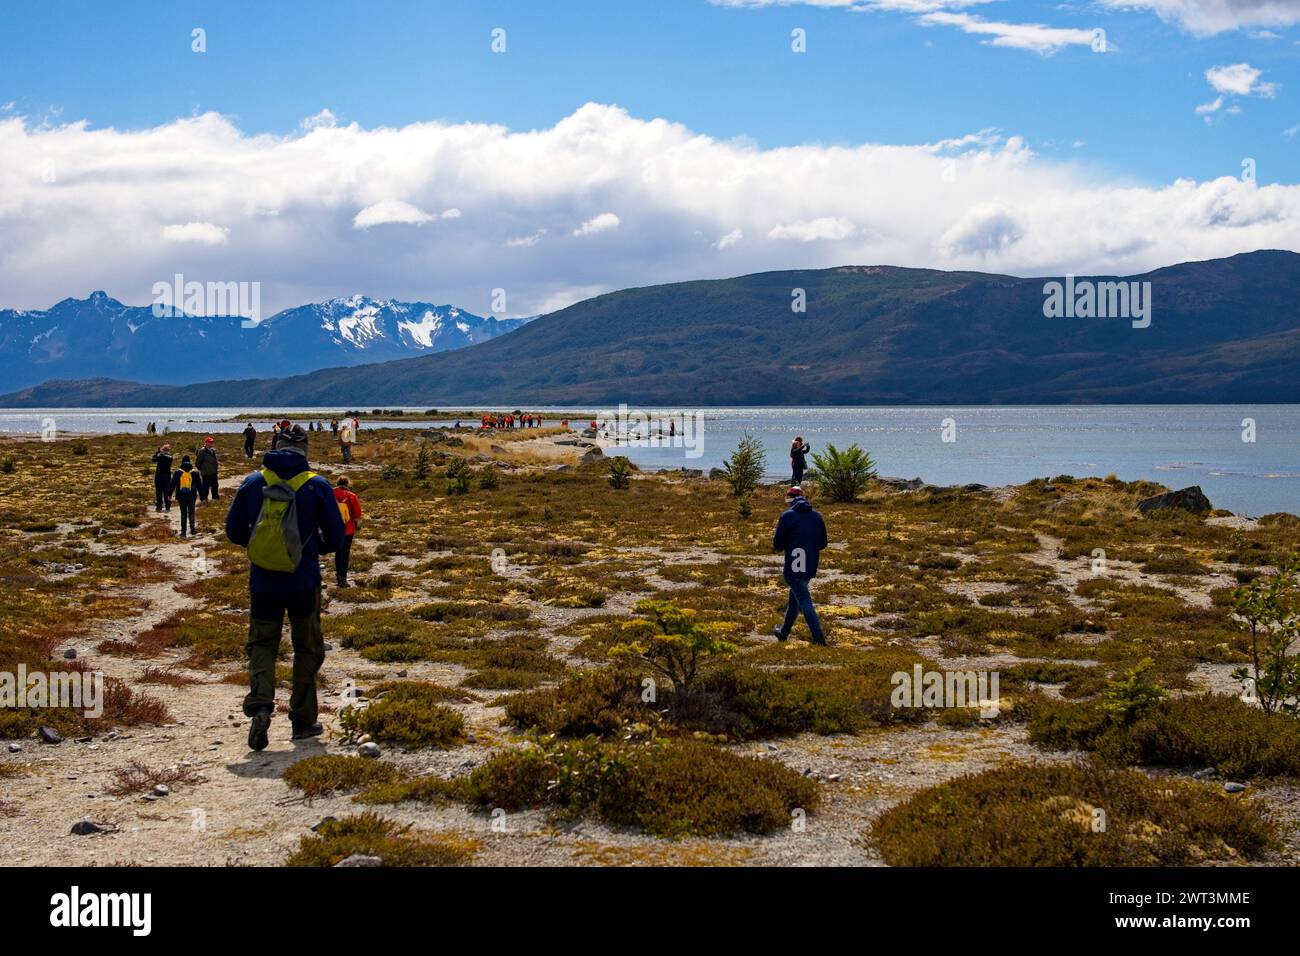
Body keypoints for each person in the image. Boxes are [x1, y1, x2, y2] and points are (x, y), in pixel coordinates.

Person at [224, 425, 345, 750]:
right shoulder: (317, 485)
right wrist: (308, 548)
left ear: (275, 445)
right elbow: (337, 537)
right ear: (305, 449)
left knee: (262, 644)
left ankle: (261, 706)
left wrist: (263, 545)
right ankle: (302, 720)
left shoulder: (253, 482)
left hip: (263, 581)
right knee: (307, 648)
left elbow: (233, 531)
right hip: (303, 580)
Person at [772, 486, 828, 645]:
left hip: (794, 565)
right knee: (795, 600)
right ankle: (783, 633)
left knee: (804, 601)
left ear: (789, 499)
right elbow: (823, 543)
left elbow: (778, 543)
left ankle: (818, 638)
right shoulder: (817, 516)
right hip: (810, 564)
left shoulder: (787, 516)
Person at [332, 477, 362, 588]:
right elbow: (357, 514)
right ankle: (342, 578)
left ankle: (338, 576)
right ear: (348, 484)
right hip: (348, 529)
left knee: (338, 552)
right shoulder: (351, 496)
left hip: (334, 528)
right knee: (345, 553)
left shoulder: (331, 493)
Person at [170, 455, 200, 538]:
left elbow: (172, 484)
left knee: (183, 513)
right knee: (191, 511)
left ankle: (183, 532)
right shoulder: (195, 472)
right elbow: (199, 485)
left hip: (181, 496)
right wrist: (203, 495)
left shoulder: (178, 472)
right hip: (192, 496)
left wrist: (169, 494)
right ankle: (192, 528)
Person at [195, 436, 220, 502]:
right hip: (206, 473)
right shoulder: (202, 451)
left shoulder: (213, 450)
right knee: (205, 487)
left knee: (215, 486)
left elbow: (215, 460)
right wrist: (203, 469)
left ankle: (215, 499)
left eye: (212, 442)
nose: (212, 443)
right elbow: (198, 463)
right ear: (206, 443)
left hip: (214, 472)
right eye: (210, 442)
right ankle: (204, 499)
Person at [151, 444, 174, 511]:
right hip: (167, 477)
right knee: (166, 492)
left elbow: (153, 460)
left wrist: (157, 453)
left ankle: (159, 506)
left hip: (159, 476)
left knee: (159, 492)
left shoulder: (160, 457)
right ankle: (167, 506)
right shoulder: (170, 457)